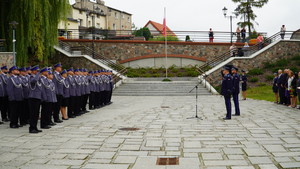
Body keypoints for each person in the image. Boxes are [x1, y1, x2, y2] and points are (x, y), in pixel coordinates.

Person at [28, 65, 44, 133]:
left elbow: (40, 82)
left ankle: (35, 126)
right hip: (33, 97)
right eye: (37, 71)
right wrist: (38, 74)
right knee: (33, 114)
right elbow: (34, 80)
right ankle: (32, 128)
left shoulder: (37, 78)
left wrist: (39, 75)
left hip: (37, 97)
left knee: (37, 114)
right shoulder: (31, 77)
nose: (38, 72)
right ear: (34, 71)